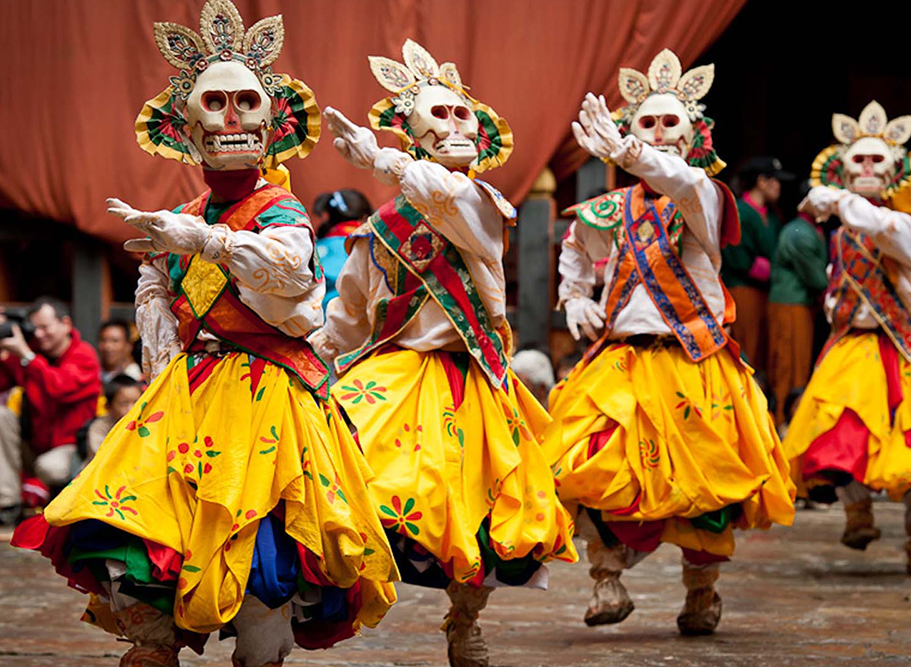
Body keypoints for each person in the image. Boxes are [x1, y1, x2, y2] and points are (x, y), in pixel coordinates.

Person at [11, 3, 397, 666]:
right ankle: (159, 639)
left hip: (268, 398)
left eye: (244, 103)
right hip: (190, 393)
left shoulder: (279, 209)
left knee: (259, 543)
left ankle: (260, 653)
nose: (228, 118)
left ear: (272, 125)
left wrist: (207, 241)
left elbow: (288, 274)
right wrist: (162, 314)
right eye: (211, 104)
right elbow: (158, 298)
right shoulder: (181, 216)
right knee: (147, 511)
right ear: (185, 130)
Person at [312, 39, 576, 667]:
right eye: (438, 116)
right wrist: (316, 357)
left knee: (478, 511)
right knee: (347, 473)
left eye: (463, 115)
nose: (456, 126)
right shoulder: (377, 230)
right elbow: (350, 312)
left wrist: (384, 162)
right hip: (394, 377)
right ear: (413, 134)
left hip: (471, 379)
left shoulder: (483, 205)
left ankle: (463, 621)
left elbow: (452, 207)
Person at [544, 49, 794, 636]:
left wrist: (631, 153)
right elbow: (576, 250)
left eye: (669, 123)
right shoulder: (608, 209)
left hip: (694, 361)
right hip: (622, 363)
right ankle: (606, 577)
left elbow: (678, 179)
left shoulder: (701, 196)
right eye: (645, 124)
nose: (658, 133)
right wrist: (576, 295)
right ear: (629, 130)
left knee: (705, 482)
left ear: (695, 134)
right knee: (591, 465)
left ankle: (701, 592)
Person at [783, 101, 911, 575]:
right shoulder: (839, 234)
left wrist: (834, 200)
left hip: (904, 350)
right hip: (853, 350)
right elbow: (840, 271)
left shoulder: (904, 225)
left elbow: (875, 225)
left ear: (898, 170)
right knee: (838, 435)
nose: (870, 167)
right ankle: (858, 515)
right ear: (843, 167)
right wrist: (836, 304)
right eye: (859, 159)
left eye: (880, 160)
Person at [0, 298, 101, 526]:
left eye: (45, 327)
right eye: (35, 328)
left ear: (66, 324)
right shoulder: (30, 354)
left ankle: (58, 502)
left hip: (70, 450)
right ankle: (10, 503)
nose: (39, 335)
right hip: (35, 446)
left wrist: (26, 357)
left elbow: (59, 388)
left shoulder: (84, 355)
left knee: (48, 467)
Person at [720, 156, 793, 369]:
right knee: (747, 346)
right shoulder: (740, 211)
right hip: (743, 291)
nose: (779, 186)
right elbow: (739, 258)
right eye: (776, 181)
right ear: (762, 181)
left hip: (765, 292)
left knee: (764, 350)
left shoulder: (772, 214)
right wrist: (775, 271)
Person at [767, 181, 829, 423]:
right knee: (787, 364)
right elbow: (815, 276)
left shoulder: (809, 229)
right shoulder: (799, 233)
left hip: (800, 304)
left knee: (798, 362)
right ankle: (781, 417)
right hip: (789, 303)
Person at [313, 189, 372, 315]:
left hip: (313, 324)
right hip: (350, 323)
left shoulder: (315, 246)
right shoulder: (363, 246)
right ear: (365, 218)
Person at [79, 374, 143, 466]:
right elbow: (102, 460)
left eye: (136, 402)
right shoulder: (99, 428)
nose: (131, 409)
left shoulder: (145, 423)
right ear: (108, 406)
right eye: (123, 403)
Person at [97, 319, 142, 383]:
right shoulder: (93, 375)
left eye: (115, 341)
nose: (107, 346)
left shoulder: (136, 377)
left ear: (128, 346)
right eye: (103, 340)